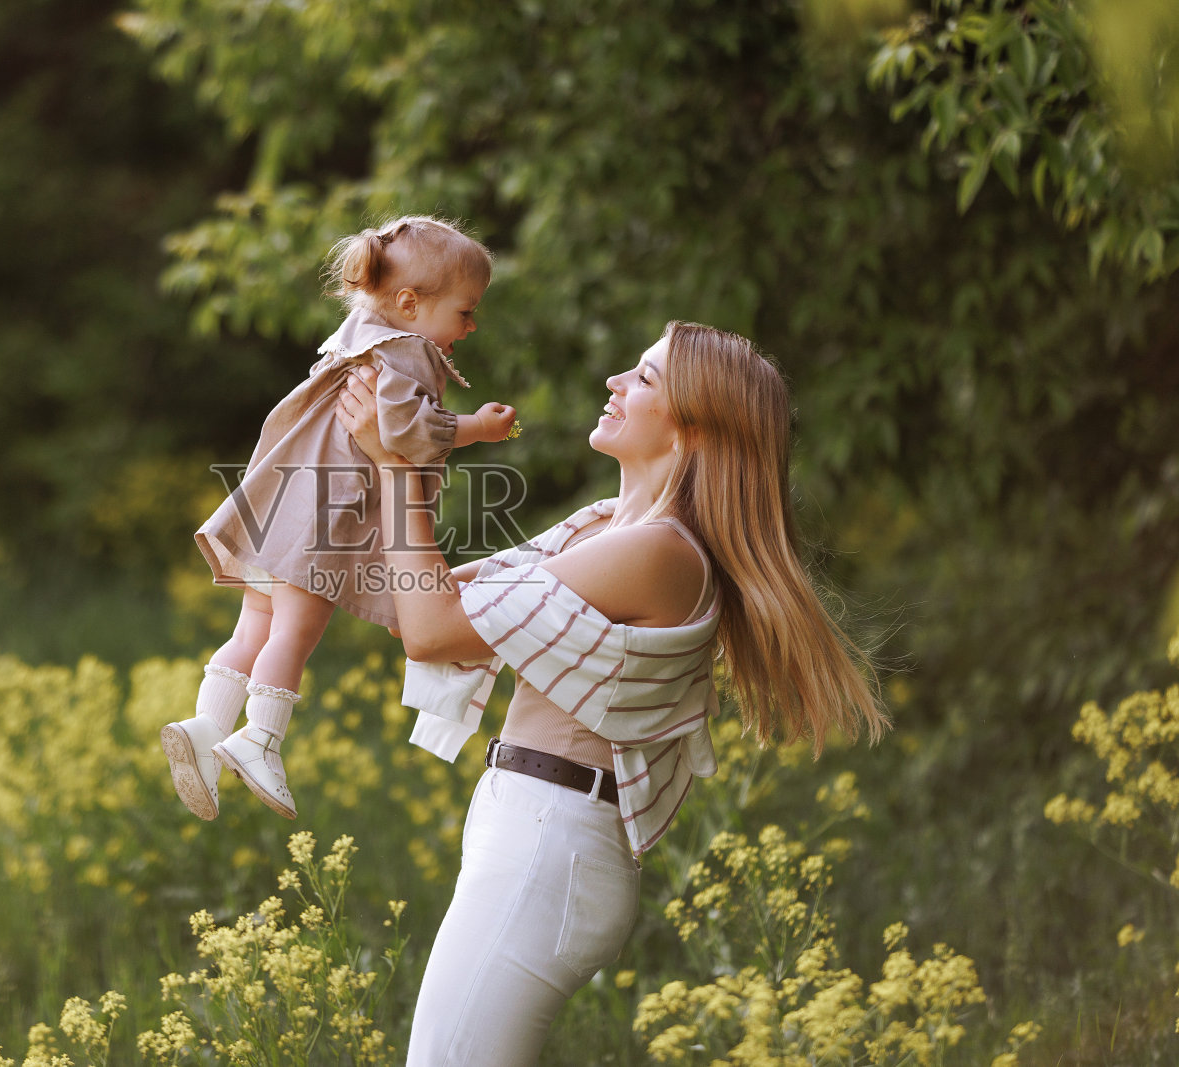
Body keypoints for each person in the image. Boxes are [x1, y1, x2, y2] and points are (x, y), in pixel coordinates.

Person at [334, 320, 889, 1066]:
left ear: (694, 429)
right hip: (532, 829)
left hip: (549, 841)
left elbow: (433, 628)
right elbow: (421, 609)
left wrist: (399, 462)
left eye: (645, 377)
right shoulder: (604, 526)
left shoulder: (658, 551)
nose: (614, 382)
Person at [162, 216, 518, 823]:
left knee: (254, 628)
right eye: (464, 311)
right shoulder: (407, 354)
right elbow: (409, 432)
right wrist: (478, 428)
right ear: (409, 303)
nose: (471, 325)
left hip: (279, 509)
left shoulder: (358, 334)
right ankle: (260, 740)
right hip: (325, 517)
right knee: (293, 634)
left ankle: (205, 726)